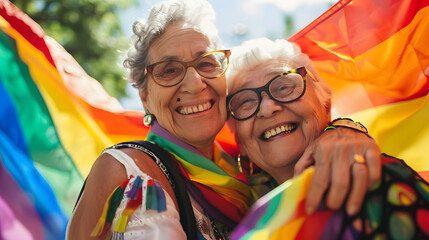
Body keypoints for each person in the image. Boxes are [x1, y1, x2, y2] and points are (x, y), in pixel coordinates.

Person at [66, 1, 383, 239]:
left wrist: (340, 129)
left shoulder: (248, 169)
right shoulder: (130, 171)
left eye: (206, 64)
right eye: (170, 70)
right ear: (145, 96)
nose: (194, 84)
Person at [225, 38, 429, 239]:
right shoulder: (230, 215)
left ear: (326, 106)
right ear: (239, 141)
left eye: (283, 86)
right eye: (246, 102)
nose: (267, 108)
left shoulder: (376, 179)